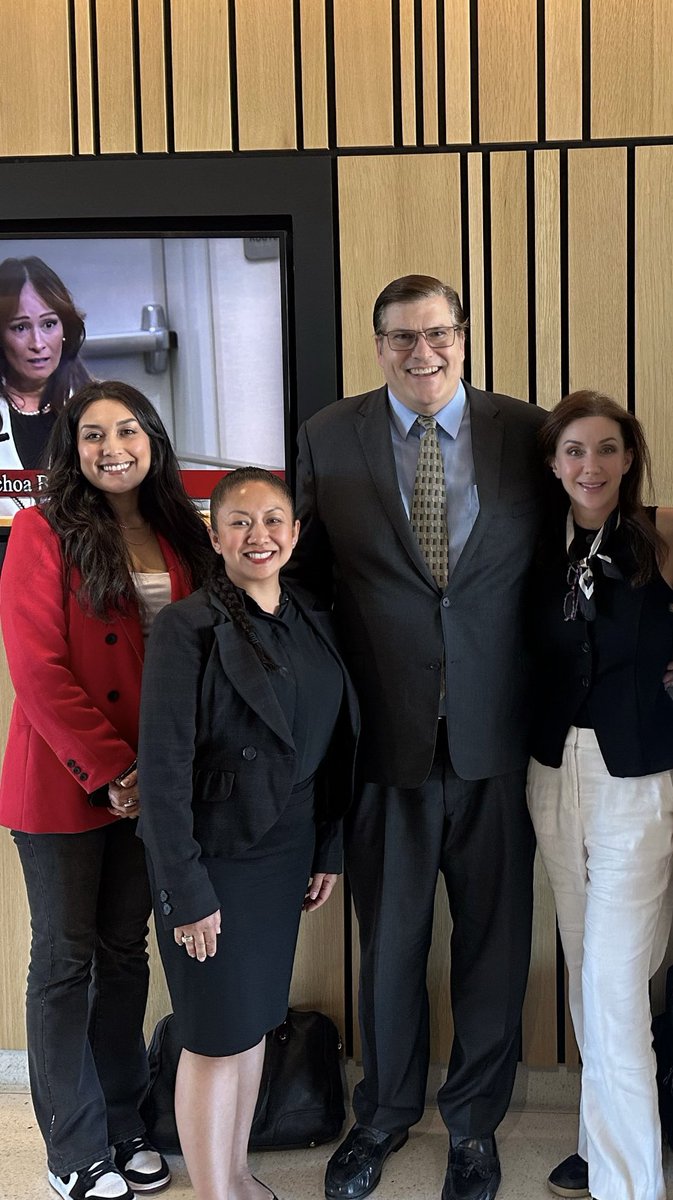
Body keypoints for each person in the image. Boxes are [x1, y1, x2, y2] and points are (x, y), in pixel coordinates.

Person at [286, 274, 547, 1200]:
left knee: (491, 947)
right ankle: (385, 1117)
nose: (421, 353)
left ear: (464, 336)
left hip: (496, 743)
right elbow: (306, 584)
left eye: (436, 333)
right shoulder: (328, 435)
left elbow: (563, 563)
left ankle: (473, 1128)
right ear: (377, 344)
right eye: (401, 337)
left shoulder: (527, 432)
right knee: (389, 947)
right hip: (382, 746)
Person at [0, 379, 212, 1200]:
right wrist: (112, 772)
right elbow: (39, 672)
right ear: (70, 448)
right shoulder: (41, 531)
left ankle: (124, 1124)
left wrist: (156, 778)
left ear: (152, 439)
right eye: (92, 434)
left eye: (126, 430)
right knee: (63, 959)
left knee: (125, 956)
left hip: (152, 784)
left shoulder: (180, 532)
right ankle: (72, 1150)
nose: (111, 447)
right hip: (66, 783)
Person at [136, 466, 358, 1200]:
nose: (257, 535)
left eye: (272, 520)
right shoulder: (186, 626)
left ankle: (233, 1172)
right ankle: (212, 1192)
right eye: (239, 521)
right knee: (211, 1035)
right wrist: (186, 891)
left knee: (255, 1023)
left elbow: (328, 748)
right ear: (215, 533)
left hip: (287, 851)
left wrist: (326, 848)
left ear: (294, 533)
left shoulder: (312, 618)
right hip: (215, 859)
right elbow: (161, 773)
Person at [526, 390, 673, 1200]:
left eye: (606, 449)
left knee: (614, 986)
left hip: (639, 782)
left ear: (628, 456)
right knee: (587, 970)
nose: (591, 466)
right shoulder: (534, 550)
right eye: (574, 451)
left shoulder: (662, 534)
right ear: (552, 464)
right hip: (550, 775)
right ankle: (599, 1140)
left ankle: (629, 1184)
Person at [0, 255, 91, 515]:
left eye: (49, 324)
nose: (38, 343)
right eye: (20, 328)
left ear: (65, 329)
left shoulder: (98, 409)